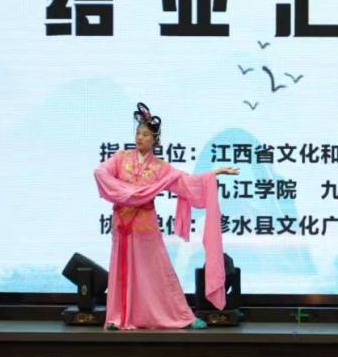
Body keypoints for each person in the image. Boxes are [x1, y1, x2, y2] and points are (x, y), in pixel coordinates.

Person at [94, 102, 238, 330]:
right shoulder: (121, 158)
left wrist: (213, 174)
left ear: (155, 140)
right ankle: (117, 318)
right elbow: (100, 172)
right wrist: (127, 193)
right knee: (121, 269)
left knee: (157, 270)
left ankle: (181, 315)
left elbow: (187, 182)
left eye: (145, 134)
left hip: (145, 224)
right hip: (122, 223)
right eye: (138, 133)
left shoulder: (161, 167)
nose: (140, 138)